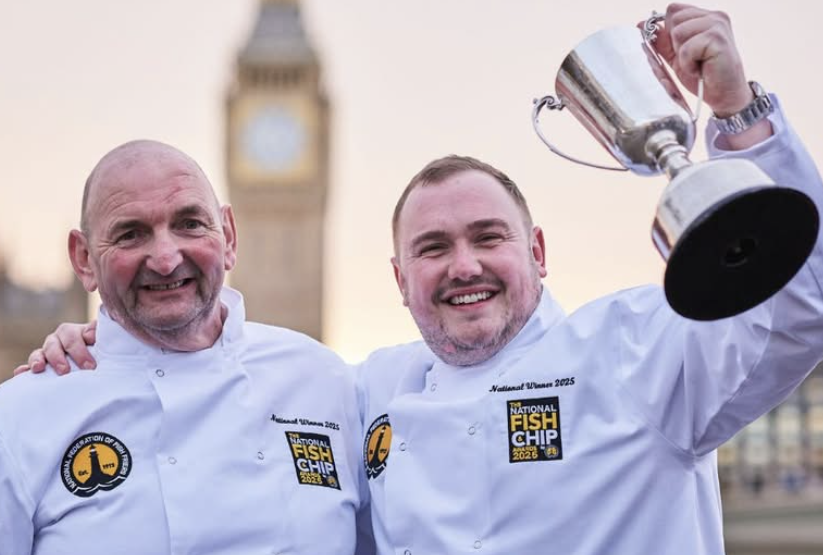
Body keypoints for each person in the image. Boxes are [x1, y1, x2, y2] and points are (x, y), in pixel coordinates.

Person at [16, 4, 823, 554]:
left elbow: (798, 307)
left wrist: (739, 118)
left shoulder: (638, 348)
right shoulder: (352, 388)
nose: (463, 265)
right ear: (398, 279)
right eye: (432, 247)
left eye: (487, 237)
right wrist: (103, 348)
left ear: (537, 251)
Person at [0, 140, 374, 555]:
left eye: (190, 224)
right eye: (130, 234)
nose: (164, 258)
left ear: (229, 236)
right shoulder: (19, 416)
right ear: (84, 259)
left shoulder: (325, 380)